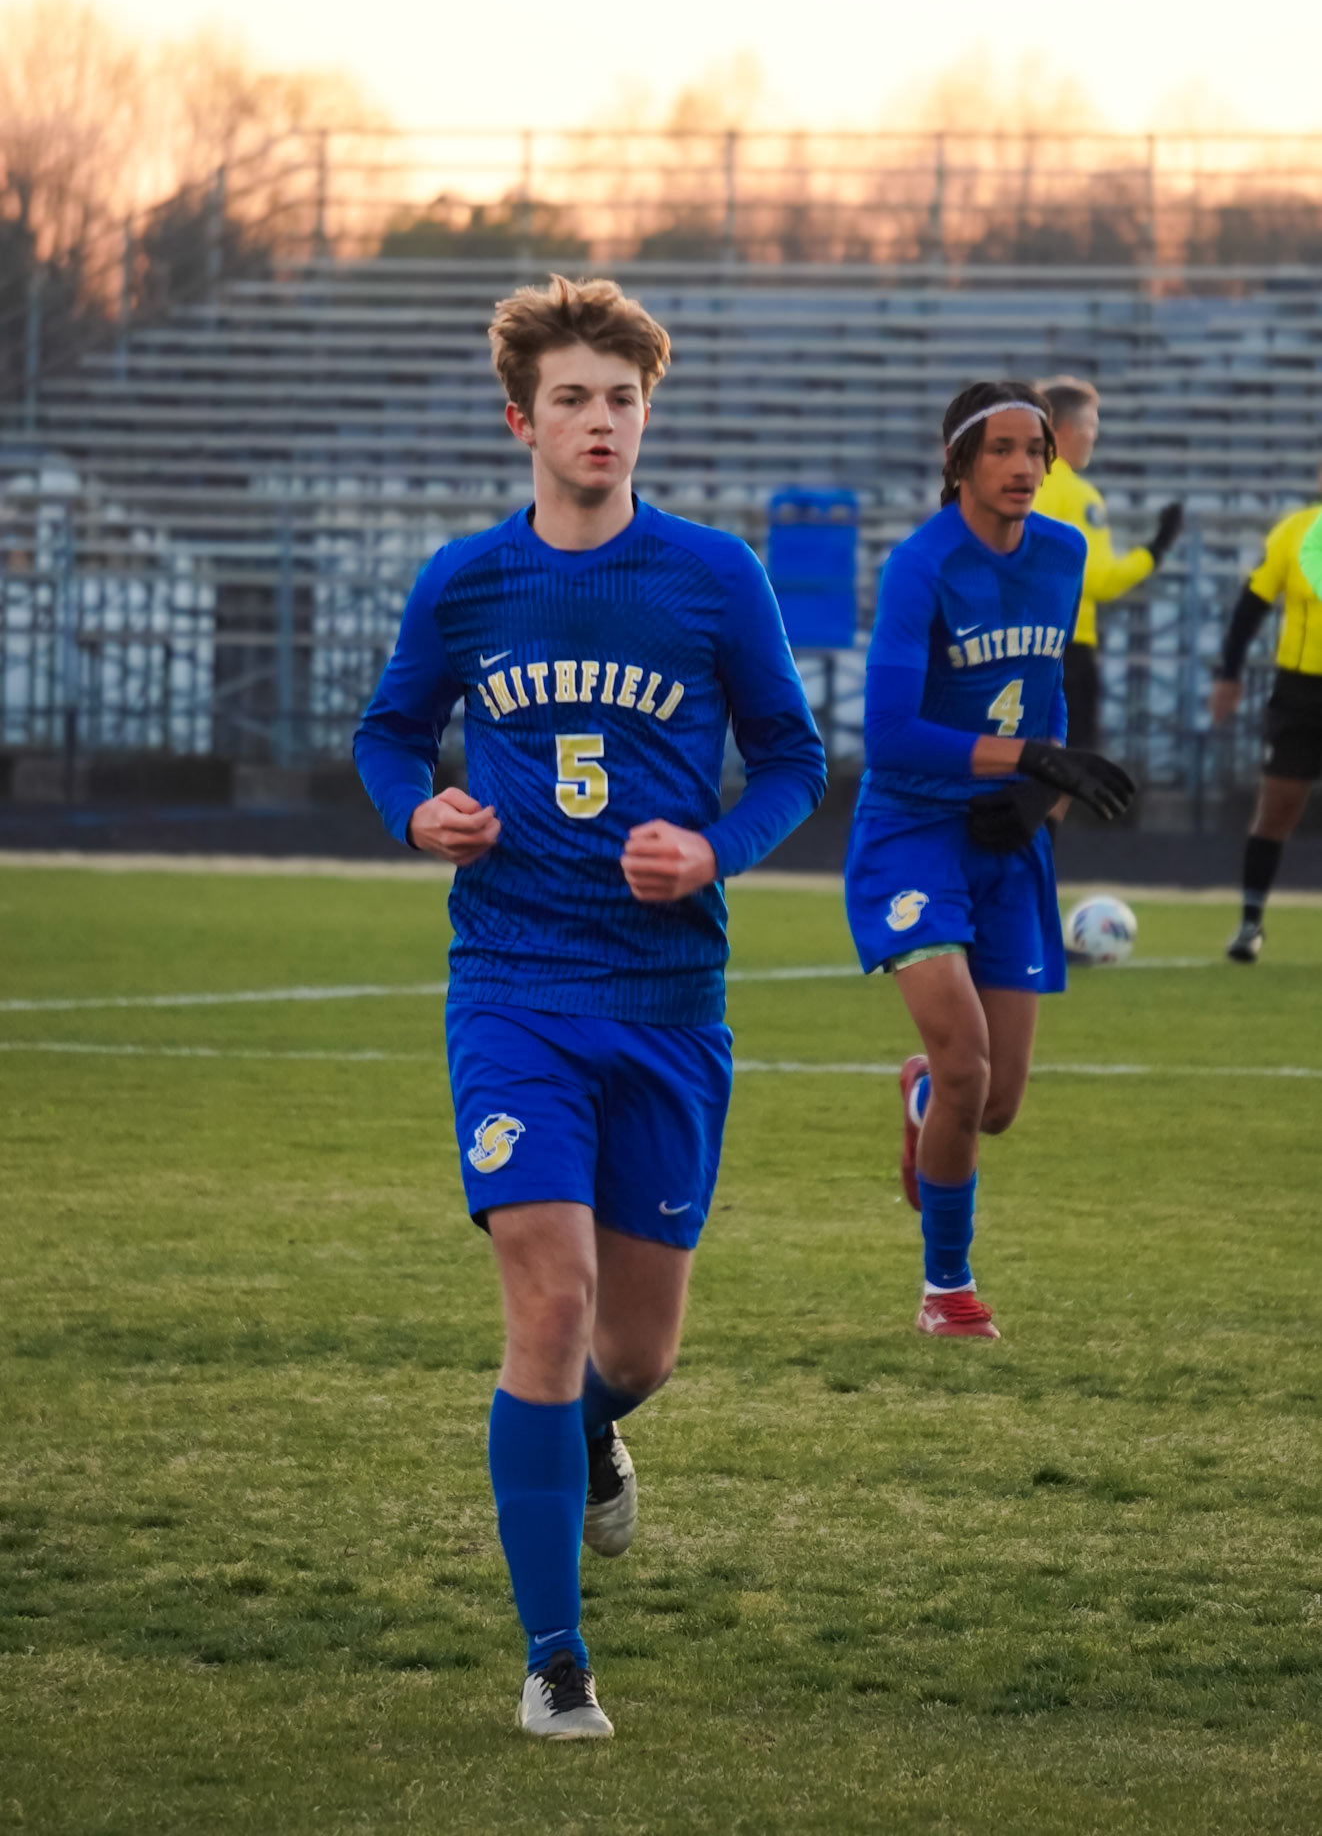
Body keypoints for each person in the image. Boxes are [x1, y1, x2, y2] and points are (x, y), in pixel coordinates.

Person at [354, 274, 826, 1739]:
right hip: (512, 986)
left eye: (621, 399)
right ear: (522, 420)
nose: (600, 421)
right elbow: (388, 733)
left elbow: (793, 759)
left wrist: (713, 849)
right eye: (571, 398)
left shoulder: (714, 576)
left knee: (634, 1355)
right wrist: (415, 811)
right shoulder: (465, 580)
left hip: (668, 997)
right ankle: (553, 1661)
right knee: (548, 1305)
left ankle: (587, 1439)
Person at [844, 382, 1135, 1340]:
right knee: (967, 1064)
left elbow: (1043, 693)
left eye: (1035, 449)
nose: (1022, 466)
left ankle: (924, 1096)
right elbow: (888, 733)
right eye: (1000, 448)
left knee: (994, 1104)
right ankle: (947, 1290)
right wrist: (1032, 760)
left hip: (1006, 837)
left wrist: (1041, 798)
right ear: (959, 462)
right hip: (913, 834)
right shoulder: (920, 566)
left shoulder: (1064, 552)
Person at [1031, 376, 1183, 752]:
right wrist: (1155, 550)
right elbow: (1099, 580)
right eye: (1090, 425)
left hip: (1004, 643)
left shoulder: (1011, 485)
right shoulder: (1078, 495)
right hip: (1066, 646)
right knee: (1069, 764)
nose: (1094, 436)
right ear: (1064, 429)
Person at [1210, 470, 1322, 962]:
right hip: (1299, 691)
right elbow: (1252, 604)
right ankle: (1250, 923)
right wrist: (1229, 674)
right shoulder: (1295, 531)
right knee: (1278, 806)